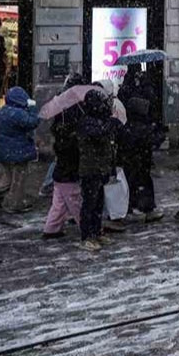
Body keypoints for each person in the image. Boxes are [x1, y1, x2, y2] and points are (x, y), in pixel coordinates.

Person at [42, 76, 85, 239]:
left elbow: (54, 126)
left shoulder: (60, 102)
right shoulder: (75, 105)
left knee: (59, 196)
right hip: (69, 152)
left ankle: (52, 227)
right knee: (73, 195)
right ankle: (87, 226)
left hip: (62, 150)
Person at [77, 89, 119, 252]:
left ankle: (96, 231)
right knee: (89, 203)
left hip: (101, 167)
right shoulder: (87, 121)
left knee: (98, 202)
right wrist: (111, 123)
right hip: (91, 168)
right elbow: (98, 134)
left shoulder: (99, 119)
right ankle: (87, 236)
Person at [0, 86, 39, 214]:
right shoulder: (17, 113)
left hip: (5, 152)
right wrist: (32, 108)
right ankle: (16, 204)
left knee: (8, 178)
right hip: (18, 152)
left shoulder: (2, 111)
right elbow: (33, 122)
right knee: (19, 180)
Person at [117, 95, 163, 223]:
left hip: (133, 162)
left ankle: (131, 208)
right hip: (140, 162)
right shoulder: (140, 127)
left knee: (131, 185)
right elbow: (152, 139)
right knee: (141, 185)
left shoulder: (128, 126)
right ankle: (145, 209)